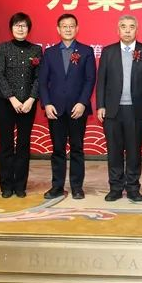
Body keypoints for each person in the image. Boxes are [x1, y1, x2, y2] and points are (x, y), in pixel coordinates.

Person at [96, 15, 142, 202]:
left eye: (131, 27)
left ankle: (133, 188)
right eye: (123, 27)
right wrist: (100, 105)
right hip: (112, 110)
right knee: (114, 151)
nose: (127, 30)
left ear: (137, 30)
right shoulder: (108, 52)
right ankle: (115, 188)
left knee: (134, 152)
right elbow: (101, 81)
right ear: (118, 30)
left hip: (136, 110)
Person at [39, 13, 96, 200]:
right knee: (58, 149)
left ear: (77, 28)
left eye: (72, 26)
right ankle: (57, 186)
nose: (68, 29)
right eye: (64, 26)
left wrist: (82, 102)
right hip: (55, 109)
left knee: (77, 149)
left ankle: (77, 187)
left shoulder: (86, 51)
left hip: (77, 109)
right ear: (58, 29)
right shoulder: (50, 53)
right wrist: (47, 104)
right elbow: (42, 82)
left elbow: (90, 80)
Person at [0, 12, 43, 199]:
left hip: (28, 104)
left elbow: (39, 77)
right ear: (11, 28)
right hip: (7, 103)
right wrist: (12, 98)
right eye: (17, 25)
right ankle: (6, 186)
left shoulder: (36, 50)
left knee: (23, 145)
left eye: (23, 26)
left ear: (29, 29)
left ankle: (20, 185)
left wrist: (31, 99)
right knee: (6, 145)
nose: (20, 29)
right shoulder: (3, 48)